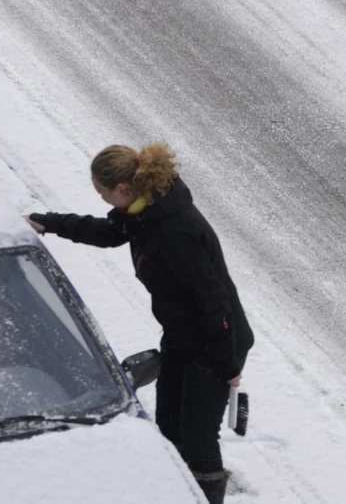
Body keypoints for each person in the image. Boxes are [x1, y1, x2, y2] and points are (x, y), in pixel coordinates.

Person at [25, 142, 254, 504]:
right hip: (182, 338)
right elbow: (106, 233)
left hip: (214, 345)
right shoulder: (143, 212)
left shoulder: (175, 231)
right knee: (168, 431)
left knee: (198, 443)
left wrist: (227, 366)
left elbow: (214, 302)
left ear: (122, 189)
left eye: (100, 191)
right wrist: (49, 223)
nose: (99, 196)